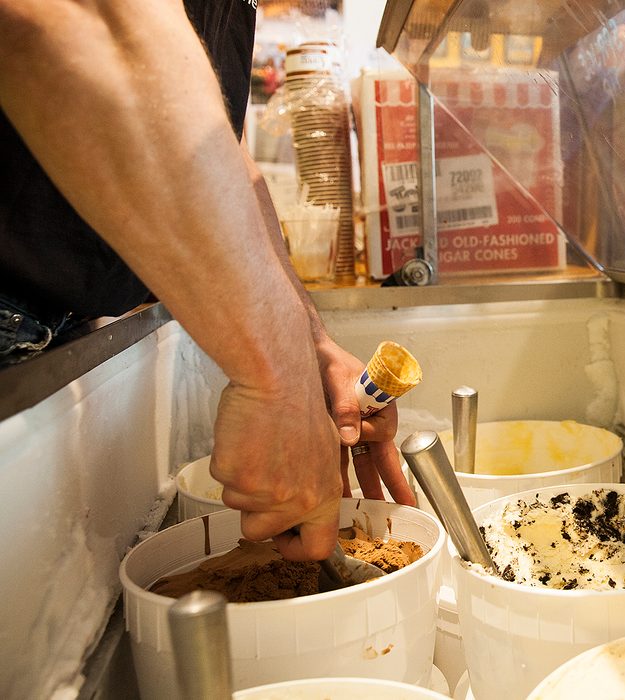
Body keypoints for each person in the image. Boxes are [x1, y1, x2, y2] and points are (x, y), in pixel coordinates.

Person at [0, 0, 415, 561]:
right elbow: (82, 19)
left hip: (59, 326)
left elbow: (222, 152)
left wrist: (306, 343)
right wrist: (275, 379)